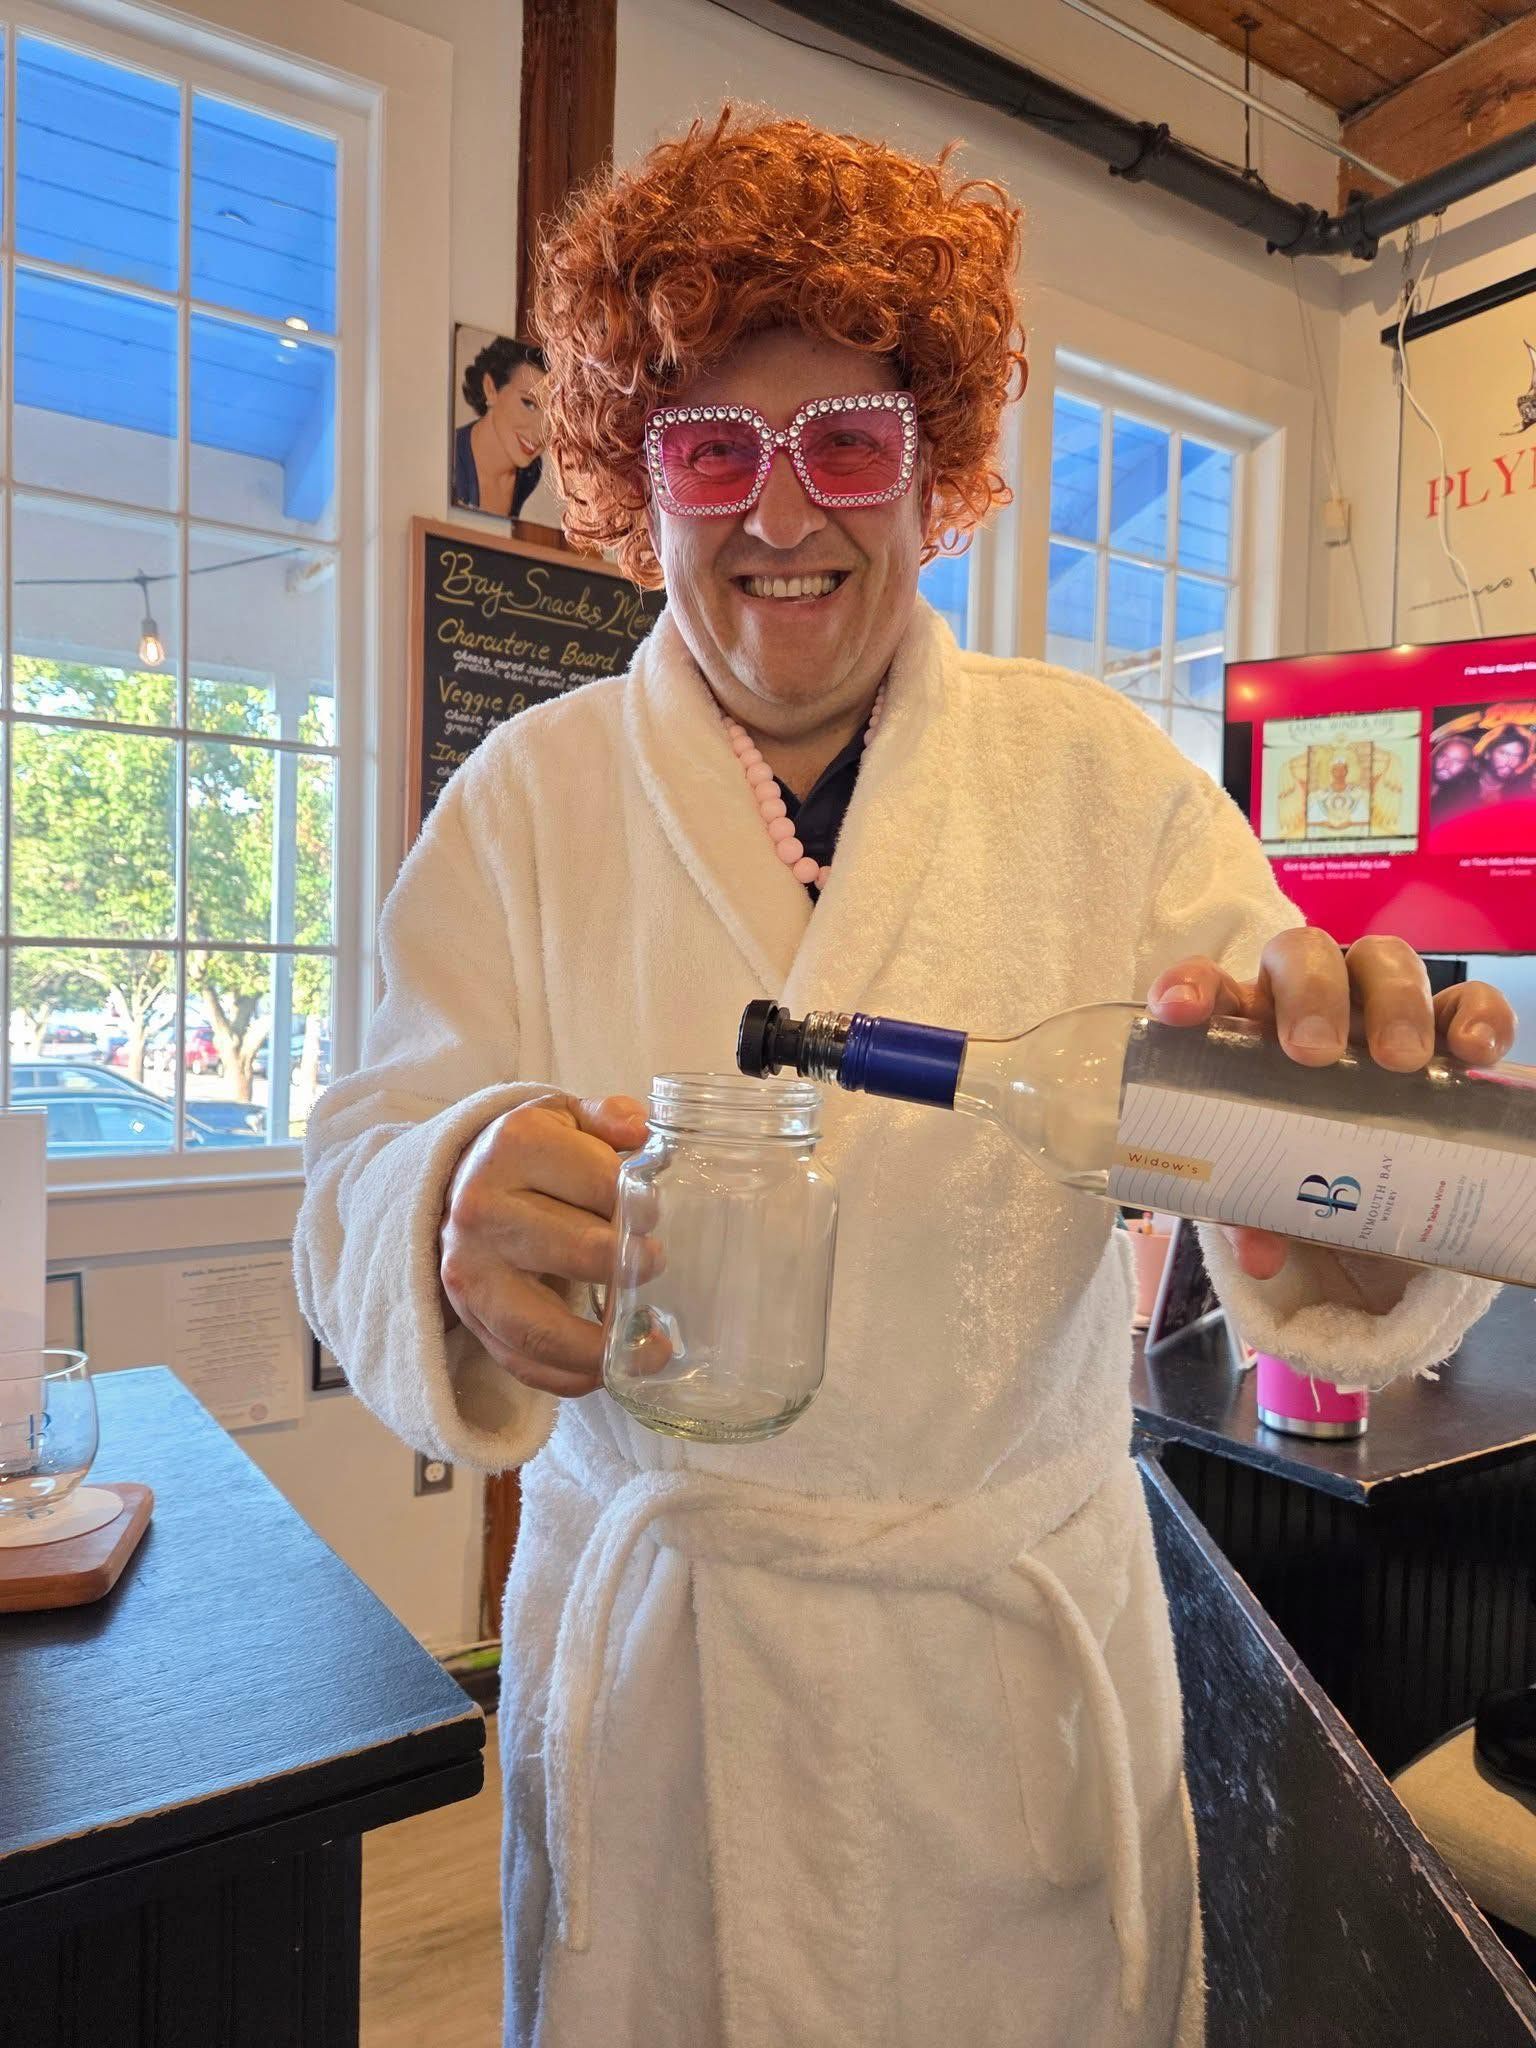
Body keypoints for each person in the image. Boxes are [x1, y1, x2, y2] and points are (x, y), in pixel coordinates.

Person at [296, 111, 1517, 2048]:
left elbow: (1296, 1167)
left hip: (1000, 1726)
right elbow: (353, 1172)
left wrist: (1366, 1171)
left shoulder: (1105, 787)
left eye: (846, 443)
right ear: (638, 473)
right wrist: (444, 1198)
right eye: (716, 449)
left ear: (930, 463)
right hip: (664, 1727)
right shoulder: (524, 807)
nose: (782, 516)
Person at [454, 335, 549, 519]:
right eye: (529, 404)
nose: (541, 432)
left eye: (555, 415)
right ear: (490, 388)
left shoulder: (530, 472)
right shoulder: (451, 459)